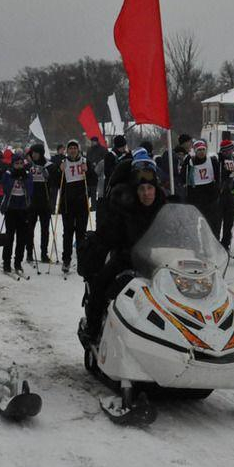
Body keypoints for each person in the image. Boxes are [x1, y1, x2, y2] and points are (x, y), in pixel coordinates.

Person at [80, 152, 166, 340]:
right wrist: (105, 241)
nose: (146, 193)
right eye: (142, 189)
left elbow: (176, 232)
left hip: (160, 263)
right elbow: (108, 232)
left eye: (150, 188)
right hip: (127, 261)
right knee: (100, 285)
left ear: (156, 188)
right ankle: (93, 330)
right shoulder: (124, 208)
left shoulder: (164, 207)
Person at [58, 140, 97, 274]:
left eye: (75, 148)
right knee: (68, 233)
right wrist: (59, 170)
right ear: (67, 150)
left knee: (81, 233)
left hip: (82, 203)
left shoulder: (85, 161)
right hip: (68, 204)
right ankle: (66, 260)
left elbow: (93, 180)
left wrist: (89, 170)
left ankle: (81, 260)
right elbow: (56, 182)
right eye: (71, 148)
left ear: (78, 150)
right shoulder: (63, 163)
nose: (73, 150)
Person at [0, 152, 34, 274]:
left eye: (21, 163)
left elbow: (30, 190)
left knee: (22, 238)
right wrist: (14, 178)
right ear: (13, 164)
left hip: (23, 208)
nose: (19, 166)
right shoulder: (8, 173)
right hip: (11, 208)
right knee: (9, 237)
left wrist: (23, 179)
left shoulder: (27, 174)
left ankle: (18, 262)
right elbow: (6, 189)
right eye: (17, 164)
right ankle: (6, 262)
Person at [180, 139, 220, 236]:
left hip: (210, 197)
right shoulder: (190, 161)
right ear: (195, 151)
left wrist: (217, 191)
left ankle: (213, 242)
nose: (201, 152)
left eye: (203, 150)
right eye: (199, 150)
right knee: (194, 223)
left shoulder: (212, 160)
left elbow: (218, 176)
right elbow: (183, 177)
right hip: (195, 196)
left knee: (210, 223)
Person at [26, 144, 53, 263]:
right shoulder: (28, 166)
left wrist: (47, 174)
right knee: (29, 228)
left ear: (41, 153)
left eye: (36, 152)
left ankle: (44, 253)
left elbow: (54, 181)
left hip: (44, 201)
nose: (34, 154)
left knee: (45, 229)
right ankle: (29, 253)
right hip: (31, 201)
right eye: (32, 153)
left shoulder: (48, 165)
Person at [217, 140, 234, 251]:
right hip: (219, 194)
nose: (230, 151)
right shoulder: (218, 159)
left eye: (231, 149)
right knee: (217, 221)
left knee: (229, 221)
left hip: (230, 194)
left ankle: (225, 244)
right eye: (228, 150)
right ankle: (215, 243)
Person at [86, 136, 107, 209]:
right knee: (92, 189)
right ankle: (93, 205)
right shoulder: (89, 150)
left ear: (97, 141)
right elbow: (87, 159)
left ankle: (98, 204)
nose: (92, 143)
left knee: (100, 190)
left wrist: (98, 163)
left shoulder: (102, 149)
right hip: (91, 172)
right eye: (91, 141)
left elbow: (105, 159)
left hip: (101, 171)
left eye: (94, 141)